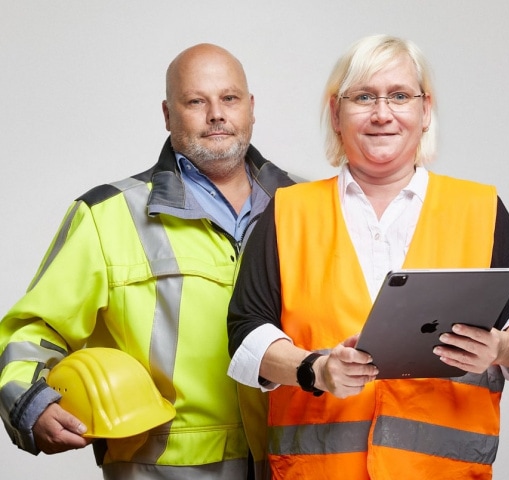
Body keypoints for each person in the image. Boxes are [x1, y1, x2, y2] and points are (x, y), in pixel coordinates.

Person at [227, 34, 509, 480]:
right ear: (336, 114)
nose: (382, 114)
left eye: (399, 96)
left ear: (425, 110)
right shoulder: (288, 212)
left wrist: (501, 347)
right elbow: (246, 336)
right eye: (363, 97)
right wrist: (314, 370)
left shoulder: (480, 210)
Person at [0, 43, 296, 479]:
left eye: (229, 98)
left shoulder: (308, 209)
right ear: (167, 114)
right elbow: (32, 330)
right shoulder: (106, 215)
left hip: (291, 465)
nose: (217, 114)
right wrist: (31, 403)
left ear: (251, 107)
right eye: (196, 101)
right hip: (166, 471)